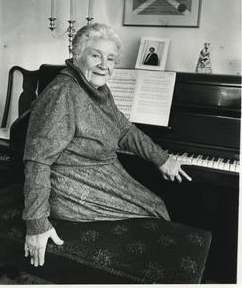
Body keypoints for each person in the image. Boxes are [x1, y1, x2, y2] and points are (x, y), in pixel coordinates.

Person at [23, 23, 191, 267]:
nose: (105, 65)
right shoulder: (63, 92)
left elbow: (124, 130)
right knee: (154, 208)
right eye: (96, 55)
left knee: (155, 205)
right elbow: (37, 160)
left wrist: (161, 158)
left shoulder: (97, 88)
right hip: (72, 187)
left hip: (101, 174)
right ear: (77, 55)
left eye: (111, 58)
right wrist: (37, 224)